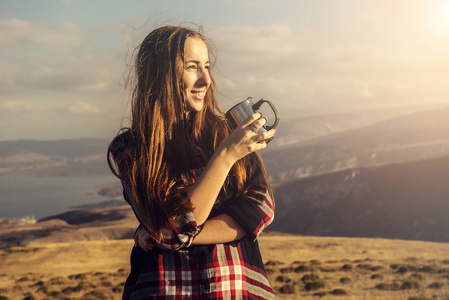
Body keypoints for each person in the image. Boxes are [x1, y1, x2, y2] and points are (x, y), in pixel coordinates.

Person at [108, 25, 276, 300]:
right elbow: (176, 226)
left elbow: (261, 207)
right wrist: (226, 156)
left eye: (207, 66)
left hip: (236, 291)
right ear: (159, 75)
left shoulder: (227, 133)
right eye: (192, 67)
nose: (206, 80)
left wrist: (165, 234)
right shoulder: (130, 149)